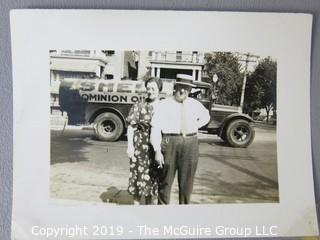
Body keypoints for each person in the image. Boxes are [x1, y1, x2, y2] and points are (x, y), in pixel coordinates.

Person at [150, 74, 210, 204]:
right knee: (165, 183)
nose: (183, 91)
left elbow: (206, 116)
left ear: (190, 90)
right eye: (181, 87)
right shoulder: (164, 104)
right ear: (175, 87)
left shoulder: (195, 104)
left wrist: (195, 126)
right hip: (169, 142)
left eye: (187, 88)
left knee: (187, 186)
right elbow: (155, 128)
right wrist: (157, 151)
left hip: (190, 144)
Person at [126, 77, 163, 205]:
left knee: (152, 178)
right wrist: (130, 146)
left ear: (159, 90)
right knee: (138, 176)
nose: (150, 91)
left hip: (157, 146)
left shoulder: (164, 106)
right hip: (140, 145)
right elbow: (131, 127)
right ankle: (136, 206)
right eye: (148, 88)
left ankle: (148, 208)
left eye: (153, 89)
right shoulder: (139, 105)